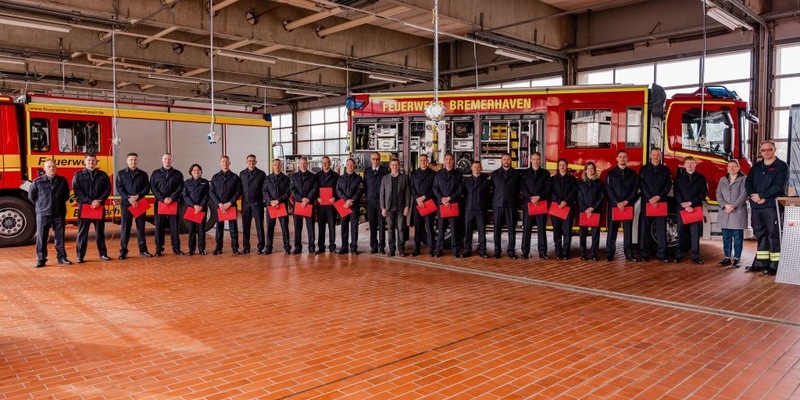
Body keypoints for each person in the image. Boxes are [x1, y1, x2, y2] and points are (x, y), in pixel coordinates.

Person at [745, 140, 789, 275]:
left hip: (771, 205)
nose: (767, 152)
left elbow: (779, 186)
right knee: (760, 234)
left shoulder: (781, 166)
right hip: (757, 206)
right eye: (763, 150)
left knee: (773, 234)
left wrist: (763, 196)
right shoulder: (756, 167)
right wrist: (753, 195)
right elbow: (748, 183)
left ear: (774, 149)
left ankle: (775, 264)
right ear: (760, 152)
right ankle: (761, 262)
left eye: (769, 149)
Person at [29, 160, 71, 267]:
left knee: (60, 237)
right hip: (43, 213)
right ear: (44, 169)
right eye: (49, 167)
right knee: (42, 237)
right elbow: (32, 197)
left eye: (53, 166)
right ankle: (41, 259)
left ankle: (62, 257)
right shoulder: (37, 182)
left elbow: (66, 195)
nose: (51, 168)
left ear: (56, 168)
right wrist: (42, 206)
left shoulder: (62, 181)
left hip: (59, 213)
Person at [72, 153, 111, 263]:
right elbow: (77, 192)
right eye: (89, 160)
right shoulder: (78, 176)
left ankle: (103, 254)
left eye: (93, 160)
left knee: (100, 232)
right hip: (85, 207)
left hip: (99, 206)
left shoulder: (103, 175)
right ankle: (80, 256)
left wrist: (99, 200)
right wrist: (90, 201)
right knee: (82, 232)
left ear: (96, 162)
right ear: (85, 162)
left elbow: (107, 190)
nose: (91, 162)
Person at [116, 152, 152, 259]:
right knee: (125, 228)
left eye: (135, 160)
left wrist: (137, 196)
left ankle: (143, 250)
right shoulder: (121, 174)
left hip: (140, 203)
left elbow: (146, 188)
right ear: (127, 161)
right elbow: (119, 188)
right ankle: (123, 251)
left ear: (138, 161)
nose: (133, 162)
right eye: (131, 160)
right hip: (126, 204)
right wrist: (129, 198)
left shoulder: (143, 174)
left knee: (141, 228)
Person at [638, 148, 672, 262]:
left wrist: (658, 197)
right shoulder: (643, 169)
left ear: (661, 156)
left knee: (661, 228)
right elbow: (642, 185)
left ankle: (662, 254)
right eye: (654, 154)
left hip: (661, 202)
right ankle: (645, 254)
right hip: (647, 202)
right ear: (650, 156)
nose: (656, 157)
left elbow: (668, 185)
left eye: (658, 155)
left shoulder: (666, 170)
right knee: (645, 228)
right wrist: (650, 198)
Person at [605, 150, 639, 261]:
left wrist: (626, 201)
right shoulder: (611, 173)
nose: (622, 159)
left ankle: (628, 254)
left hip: (627, 206)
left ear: (628, 159)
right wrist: (617, 202)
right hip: (614, 206)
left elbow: (635, 190)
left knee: (627, 230)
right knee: (612, 230)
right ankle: (610, 253)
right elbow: (609, 190)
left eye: (624, 157)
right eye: (620, 157)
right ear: (617, 159)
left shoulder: (632, 174)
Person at [674, 156, 708, 264]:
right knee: (681, 232)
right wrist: (684, 205)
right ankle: (679, 255)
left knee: (695, 233)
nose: (689, 165)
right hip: (682, 209)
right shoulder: (679, 178)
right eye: (688, 163)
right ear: (684, 165)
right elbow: (676, 192)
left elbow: (703, 194)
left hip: (695, 208)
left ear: (695, 164)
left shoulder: (701, 178)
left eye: (692, 163)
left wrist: (691, 203)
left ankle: (695, 256)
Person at [150, 153, 185, 257]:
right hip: (160, 203)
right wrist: (162, 198)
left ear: (172, 161)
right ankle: (159, 249)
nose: (167, 161)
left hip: (173, 203)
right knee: (159, 226)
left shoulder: (178, 174)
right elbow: (153, 187)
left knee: (174, 226)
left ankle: (176, 248)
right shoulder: (155, 173)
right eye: (165, 159)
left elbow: (180, 187)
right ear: (162, 160)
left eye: (169, 159)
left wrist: (171, 198)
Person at [716, 160, 747, 268]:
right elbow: (718, 194)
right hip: (725, 212)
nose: (732, 168)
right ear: (727, 168)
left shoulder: (744, 179)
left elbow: (744, 194)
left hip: (737, 212)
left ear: (738, 168)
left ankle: (737, 259)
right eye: (730, 166)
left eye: (734, 166)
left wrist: (733, 206)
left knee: (738, 237)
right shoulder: (722, 179)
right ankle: (727, 258)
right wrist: (725, 205)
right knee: (726, 237)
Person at [210, 155, 242, 255]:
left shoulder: (235, 177)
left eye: (226, 162)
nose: (225, 163)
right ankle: (218, 248)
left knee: (233, 228)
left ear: (229, 163)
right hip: (219, 207)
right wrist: (219, 204)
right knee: (219, 228)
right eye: (223, 162)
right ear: (220, 163)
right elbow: (211, 192)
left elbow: (238, 191)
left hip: (231, 206)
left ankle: (235, 248)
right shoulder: (215, 177)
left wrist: (229, 203)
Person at [491, 153, 521, 259]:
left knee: (511, 229)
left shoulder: (517, 174)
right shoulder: (495, 174)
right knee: (497, 229)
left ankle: (511, 251)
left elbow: (518, 189)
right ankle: (497, 251)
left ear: (511, 161)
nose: (506, 161)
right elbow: (492, 189)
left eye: (508, 159)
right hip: (498, 205)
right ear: (501, 161)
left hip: (511, 205)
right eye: (504, 159)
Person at [433, 153, 464, 257]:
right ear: (444, 161)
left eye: (450, 159)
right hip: (442, 204)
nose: (449, 161)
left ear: (453, 161)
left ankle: (455, 250)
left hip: (453, 204)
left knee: (454, 228)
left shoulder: (458, 174)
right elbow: (435, 188)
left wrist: (449, 198)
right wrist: (442, 199)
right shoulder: (438, 174)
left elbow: (460, 189)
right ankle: (439, 249)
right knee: (441, 227)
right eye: (447, 159)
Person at [521, 152, 551, 259]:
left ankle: (542, 252)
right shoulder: (525, 173)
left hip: (541, 203)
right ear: (530, 160)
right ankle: (525, 252)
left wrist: (538, 197)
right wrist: (531, 198)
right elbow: (523, 188)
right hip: (529, 203)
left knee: (541, 228)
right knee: (527, 228)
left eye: (538, 159)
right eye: (534, 159)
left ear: (540, 160)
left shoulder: (545, 173)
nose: (536, 161)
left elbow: (548, 188)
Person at [380, 158, 411, 257]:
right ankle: (392, 249)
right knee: (390, 229)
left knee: (401, 229)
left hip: (400, 209)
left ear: (399, 166)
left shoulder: (404, 178)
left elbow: (407, 193)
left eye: (396, 164)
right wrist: (383, 208)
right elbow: (382, 194)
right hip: (389, 209)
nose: (395, 166)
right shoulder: (384, 178)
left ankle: (401, 249)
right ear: (390, 166)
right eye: (393, 165)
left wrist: (407, 206)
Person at [550, 158, 578, 260]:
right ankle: (558, 252)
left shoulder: (572, 179)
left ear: (567, 166)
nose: (562, 167)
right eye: (560, 165)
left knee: (567, 231)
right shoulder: (552, 179)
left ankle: (566, 252)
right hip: (556, 208)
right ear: (558, 167)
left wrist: (565, 201)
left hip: (568, 207)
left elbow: (574, 192)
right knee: (556, 231)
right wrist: (559, 201)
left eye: (564, 165)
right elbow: (551, 192)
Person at [290, 156, 318, 254]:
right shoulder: (293, 176)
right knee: (297, 227)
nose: (303, 165)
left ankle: (311, 247)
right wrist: (302, 199)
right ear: (298, 164)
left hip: (309, 204)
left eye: (304, 163)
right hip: (298, 204)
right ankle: (297, 247)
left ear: (307, 164)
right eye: (301, 163)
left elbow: (315, 189)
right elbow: (292, 190)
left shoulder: (313, 176)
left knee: (310, 227)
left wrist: (308, 199)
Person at [264, 158, 292, 255]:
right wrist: (271, 201)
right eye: (275, 164)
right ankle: (268, 247)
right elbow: (264, 191)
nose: (277, 166)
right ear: (273, 166)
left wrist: (278, 201)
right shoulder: (267, 178)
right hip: (271, 206)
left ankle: (287, 247)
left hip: (282, 205)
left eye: (279, 164)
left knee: (284, 227)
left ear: (281, 166)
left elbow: (288, 192)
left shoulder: (286, 179)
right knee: (270, 227)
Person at [462, 160, 490, 258]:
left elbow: (488, 196)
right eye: (474, 167)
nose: (476, 169)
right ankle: (467, 250)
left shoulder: (486, 182)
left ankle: (482, 251)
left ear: (481, 168)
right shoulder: (466, 182)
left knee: (482, 230)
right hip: (469, 209)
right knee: (468, 230)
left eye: (478, 167)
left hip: (481, 209)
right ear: (471, 168)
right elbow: (464, 196)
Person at [240, 154, 267, 254]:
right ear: (246, 162)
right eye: (249, 161)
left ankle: (261, 247)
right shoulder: (242, 174)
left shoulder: (261, 174)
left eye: (253, 161)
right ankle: (246, 247)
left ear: (256, 162)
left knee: (259, 225)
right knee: (245, 225)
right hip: (246, 203)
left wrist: (264, 199)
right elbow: (240, 189)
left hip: (257, 202)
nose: (251, 162)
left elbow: (264, 189)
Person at [410, 154, 436, 256]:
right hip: (418, 204)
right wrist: (417, 198)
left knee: (429, 227)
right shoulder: (414, 174)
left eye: (425, 160)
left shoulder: (433, 174)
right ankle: (416, 249)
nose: (423, 162)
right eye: (421, 160)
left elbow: (434, 189)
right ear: (419, 161)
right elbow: (412, 188)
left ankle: (431, 249)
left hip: (428, 203)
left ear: (427, 161)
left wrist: (424, 197)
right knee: (418, 227)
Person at [336, 158, 363, 255]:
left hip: (354, 205)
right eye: (348, 164)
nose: (350, 166)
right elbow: (338, 190)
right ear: (346, 165)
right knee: (344, 226)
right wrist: (345, 200)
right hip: (343, 205)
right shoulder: (340, 178)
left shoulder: (358, 178)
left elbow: (360, 191)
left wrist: (352, 200)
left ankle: (354, 247)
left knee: (354, 226)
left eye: (351, 164)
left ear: (354, 165)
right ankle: (344, 247)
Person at [578, 161, 603, 261]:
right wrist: (585, 209)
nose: (590, 170)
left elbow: (601, 197)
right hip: (583, 211)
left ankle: (594, 254)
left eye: (592, 169)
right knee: (582, 234)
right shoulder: (580, 183)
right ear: (585, 171)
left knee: (595, 234)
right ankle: (583, 254)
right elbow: (579, 198)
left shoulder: (599, 183)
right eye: (588, 169)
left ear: (594, 170)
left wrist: (592, 208)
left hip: (595, 211)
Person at [183, 163, 210, 256]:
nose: (196, 172)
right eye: (194, 170)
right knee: (191, 230)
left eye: (198, 170)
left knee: (201, 230)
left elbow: (207, 196)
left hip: (202, 209)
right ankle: (191, 249)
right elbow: (185, 196)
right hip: (192, 209)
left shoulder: (205, 182)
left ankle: (202, 249)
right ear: (191, 172)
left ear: (201, 172)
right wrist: (194, 206)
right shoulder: (186, 183)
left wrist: (201, 206)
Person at [364, 152, 388, 254]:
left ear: (380, 160)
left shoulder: (385, 171)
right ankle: (373, 247)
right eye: (373, 159)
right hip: (370, 203)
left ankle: (381, 247)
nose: (375, 161)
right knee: (372, 225)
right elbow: (365, 186)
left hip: (381, 203)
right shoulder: (367, 171)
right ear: (371, 159)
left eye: (377, 159)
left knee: (382, 225)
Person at [316, 156, 339, 254]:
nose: (325, 164)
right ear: (321, 164)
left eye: (326, 162)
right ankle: (321, 246)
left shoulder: (336, 176)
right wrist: (317, 198)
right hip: (321, 205)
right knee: (321, 226)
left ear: (330, 163)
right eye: (323, 163)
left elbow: (338, 189)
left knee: (331, 226)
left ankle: (332, 246)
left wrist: (335, 197)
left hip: (331, 205)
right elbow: (314, 189)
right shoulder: (317, 176)